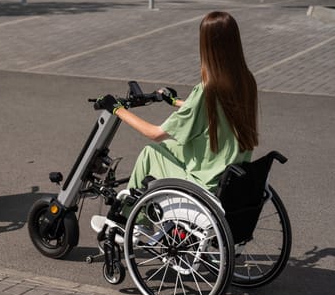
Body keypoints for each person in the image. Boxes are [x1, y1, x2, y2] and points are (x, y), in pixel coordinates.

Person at [99, 11, 258, 194]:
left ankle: (126, 216)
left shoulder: (208, 90)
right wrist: (175, 102)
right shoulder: (246, 80)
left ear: (206, 46)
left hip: (205, 181)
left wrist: (116, 108)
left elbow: (155, 134)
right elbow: (217, 112)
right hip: (228, 173)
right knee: (170, 146)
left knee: (151, 152)